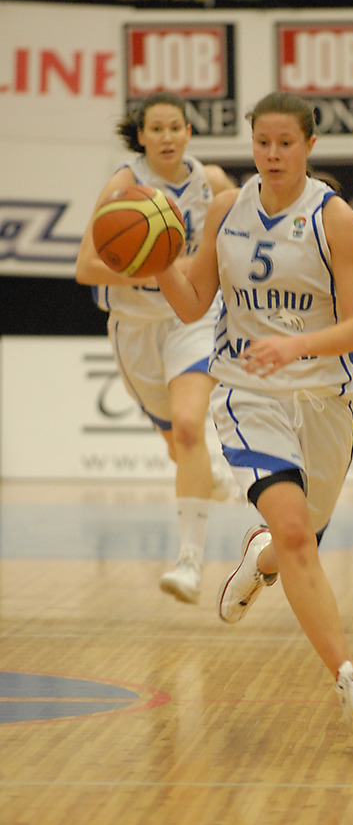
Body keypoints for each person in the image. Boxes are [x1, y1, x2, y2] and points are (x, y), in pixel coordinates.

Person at [155, 90, 353, 726]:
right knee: (294, 533)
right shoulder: (228, 209)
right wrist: (160, 263)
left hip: (323, 396)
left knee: (296, 542)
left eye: (286, 142)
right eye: (262, 142)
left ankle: (256, 562)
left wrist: (294, 345)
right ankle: (350, 680)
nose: (273, 153)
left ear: (309, 145)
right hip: (248, 392)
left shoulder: (334, 219)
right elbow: (192, 304)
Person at [76, 91, 237, 604]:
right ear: (141, 136)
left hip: (193, 317)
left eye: (175, 127)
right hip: (136, 327)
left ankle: (190, 561)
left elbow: (243, 235)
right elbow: (85, 267)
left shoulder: (212, 182)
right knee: (178, 443)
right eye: (156, 129)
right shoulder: (123, 186)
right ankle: (206, 473)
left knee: (189, 426)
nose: (167, 137)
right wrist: (152, 266)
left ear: (188, 132)